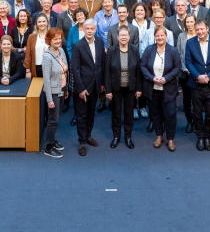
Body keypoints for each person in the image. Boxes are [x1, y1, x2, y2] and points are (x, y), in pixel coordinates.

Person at [185, 20, 210, 151]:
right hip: (196, 84)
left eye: (202, 29)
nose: (200, 32)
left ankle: (207, 136)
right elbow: (188, 62)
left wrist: (209, 76)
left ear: (207, 29)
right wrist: (197, 76)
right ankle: (200, 137)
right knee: (196, 113)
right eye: (197, 30)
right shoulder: (190, 43)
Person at [140, 26, 181, 151]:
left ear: (166, 36)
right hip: (153, 89)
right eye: (157, 35)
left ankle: (170, 138)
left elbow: (177, 68)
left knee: (170, 114)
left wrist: (166, 78)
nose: (160, 37)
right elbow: (142, 66)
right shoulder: (149, 49)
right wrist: (152, 78)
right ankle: (159, 136)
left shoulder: (172, 51)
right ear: (154, 37)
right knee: (155, 113)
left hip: (168, 89)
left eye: (162, 35)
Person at [105, 25, 142, 149]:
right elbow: (107, 71)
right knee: (116, 113)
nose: (124, 37)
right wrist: (108, 90)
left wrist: (138, 88)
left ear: (129, 36)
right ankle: (116, 136)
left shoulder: (135, 50)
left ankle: (128, 137)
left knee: (129, 113)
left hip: (130, 87)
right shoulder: (111, 51)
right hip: (116, 88)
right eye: (121, 35)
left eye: (126, 35)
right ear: (117, 36)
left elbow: (138, 70)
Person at [71, 19, 104, 156]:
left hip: (96, 85)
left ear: (95, 29)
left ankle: (88, 136)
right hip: (83, 87)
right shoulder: (78, 45)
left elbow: (102, 63)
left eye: (92, 28)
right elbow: (75, 69)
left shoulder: (100, 42)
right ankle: (82, 142)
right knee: (81, 115)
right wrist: (80, 89)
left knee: (91, 113)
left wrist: (102, 83)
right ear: (84, 30)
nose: (90, 31)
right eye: (87, 29)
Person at [42, 28, 69, 158]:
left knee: (57, 117)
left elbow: (65, 71)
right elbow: (46, 79)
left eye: (59, 38)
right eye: (55, 39)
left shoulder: (62, 51)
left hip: (62, 89)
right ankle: (48, 147)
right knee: (53, 119)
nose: (58, 41)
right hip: (52, 92)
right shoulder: (47, 56)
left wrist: (66, 89)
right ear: (49, 40)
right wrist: (49, 99)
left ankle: (52, 141)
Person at [176, 13, 197, 133]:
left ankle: (196, 121)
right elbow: (178, 54)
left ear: (195, 22)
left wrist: (195, 70)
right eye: (187, 22)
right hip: (185, 74)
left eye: (191, 21)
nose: (189, 24)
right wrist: (184, 68)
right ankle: (189, 121)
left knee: (196, 100)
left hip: (197, 73)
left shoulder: (200, 35)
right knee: (187, 99)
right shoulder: (181, 36)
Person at [24, 13, 51, 78]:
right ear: (36, 24)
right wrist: (28, 71)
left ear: (47, 23)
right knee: (37, 87)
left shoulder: (52, 36)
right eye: (39, 22)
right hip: (36, 68)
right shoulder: (31, 37)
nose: (42, 24)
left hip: (50, 68)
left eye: (44, 21)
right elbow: (28, 55)